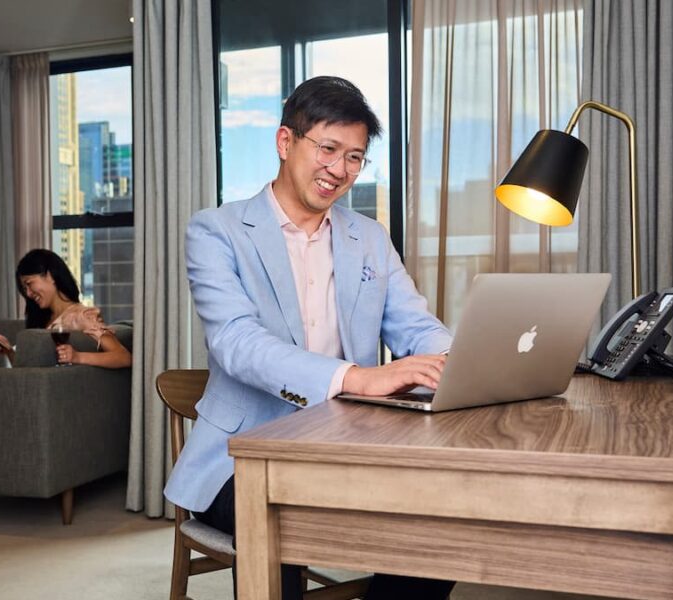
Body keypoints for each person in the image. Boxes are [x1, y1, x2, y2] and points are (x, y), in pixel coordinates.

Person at [164, 76, 455, 599]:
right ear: (285, 142)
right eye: (328, 148)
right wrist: (355, 378)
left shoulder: (367, 237)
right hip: (238, 458)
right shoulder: (216, 231)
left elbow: (414, 324)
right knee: (283, 524)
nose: (339, 169)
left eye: (355, 157)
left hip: (347, 447)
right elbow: (236, 342)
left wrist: (458, 358)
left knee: (439, 521)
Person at [0, 248, 132, 369]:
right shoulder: (45, 320)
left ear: (50, 276)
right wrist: (8, 350)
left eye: (29, 284)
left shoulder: (82, 316)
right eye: (24, 288)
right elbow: (31, 371)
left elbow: (123, 357)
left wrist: (78, 357)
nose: (28, 293)